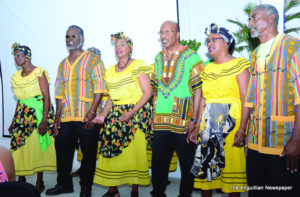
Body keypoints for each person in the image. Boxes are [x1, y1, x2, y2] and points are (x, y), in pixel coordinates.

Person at [189, 23, 250, 197]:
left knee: (232, 175)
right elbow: (203, 100)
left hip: (231, 123)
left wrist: (242, 129)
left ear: (226, 42)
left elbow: (247, 100)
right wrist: (197, 126)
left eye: (214, 39)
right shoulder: (206, 69)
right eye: (207, 41)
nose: (209, 43)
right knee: (206, 173)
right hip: (208, 124)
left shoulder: (239, 64)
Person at [245, 4, 300, 197]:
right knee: (257, 191)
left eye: (254, 18)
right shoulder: (254, 54)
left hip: (283, 140)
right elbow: (251, 98)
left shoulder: (293, 47)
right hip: (255, 140)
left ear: (271, 18)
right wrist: (245, 134)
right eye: (249, 19)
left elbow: (299, 96)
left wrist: (297, 139)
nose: (250, 22)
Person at [46, 25, 106, 197]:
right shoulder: (62, 64)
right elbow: (58, 92)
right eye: (67, 36)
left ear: (82, 39)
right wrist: (57, 117)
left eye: (74, 35)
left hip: (86, 117)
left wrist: (92, 112)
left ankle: (86, 188)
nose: (70, 39)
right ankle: (64, 185)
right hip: (65, 117)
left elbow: (99, 88)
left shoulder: (93, 59)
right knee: (62, 153)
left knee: (88, 155)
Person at [93, 32, 152, 197]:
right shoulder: (110, 70)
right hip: (115, 115)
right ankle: (113, 191)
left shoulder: (138, 65)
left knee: (134, 154)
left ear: (130, 48)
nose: (118, 48)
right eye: (116, 45)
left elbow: (148, 93)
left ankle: (134, 190)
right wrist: (103, 115)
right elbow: (111, 97)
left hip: (136, 114)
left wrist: (132, 113)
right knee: (111, 152)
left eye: (122, 45)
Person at [150, 21, 203, 197]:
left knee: (187, 163)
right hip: (160, 121)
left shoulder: (192, 57)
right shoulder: (158, 58)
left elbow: (198, 92)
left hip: (183, 119)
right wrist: (153, 115)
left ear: (177, 34)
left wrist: (195, 121)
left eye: (168, 32)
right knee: (158, 163)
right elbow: (155, 90)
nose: (163, 36)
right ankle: (158, 193)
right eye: (161, 32)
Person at [9, 43, 56, 193]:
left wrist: (43, 121)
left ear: (27, 56)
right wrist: (13, 120)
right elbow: (20, 100)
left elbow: (47, 98)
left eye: (19, 55)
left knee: (37, 148)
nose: (16, 58)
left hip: (38, 114)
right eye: (15, 55)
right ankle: (21, 177)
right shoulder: (16, 76)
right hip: (22, 115)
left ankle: (39, 180)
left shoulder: (39, 72)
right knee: (19, 146)